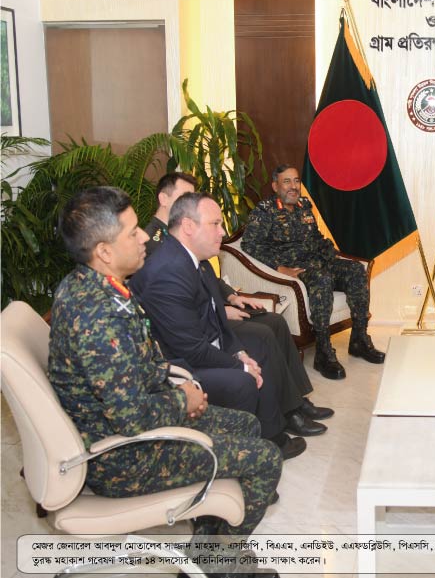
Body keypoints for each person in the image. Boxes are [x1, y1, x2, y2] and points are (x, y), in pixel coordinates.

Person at [48, 187, 281, 577]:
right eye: (132, 232)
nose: (145, 236)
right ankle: (221, 567)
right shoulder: (97, 318)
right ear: (104, 252)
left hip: (132, 425)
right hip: (123, 458)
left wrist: (182, 386)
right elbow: (131, 418)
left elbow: (138, 367)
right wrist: (183, 400)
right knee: (266, 459)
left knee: (247, 425)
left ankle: (208, 552)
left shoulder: (97, 286)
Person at [131, 192, 325, 461]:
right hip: (180, 363)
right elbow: (191, 349)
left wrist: (239, 352)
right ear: (188, 226)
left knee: (259, 342)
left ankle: (275, 429)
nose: (222, 232)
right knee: (245, 376)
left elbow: (218, 320)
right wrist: (240, 365)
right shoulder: (167, 271)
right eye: (215, 224)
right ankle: (260, 445)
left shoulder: (195, 260)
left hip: (204, 343)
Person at [241, 164, 385, 380]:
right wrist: (279, 267)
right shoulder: (265, 211)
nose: (293, 186)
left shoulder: (304, 205)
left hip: (319, 262)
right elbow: (250, 245)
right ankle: (323, 353)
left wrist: (333, 256)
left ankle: (359, 340)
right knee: (322, 278)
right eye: (287, 181)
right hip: (298, 268)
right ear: (275, 186)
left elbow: (315, 237)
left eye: (296, 181)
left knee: (355, 270)